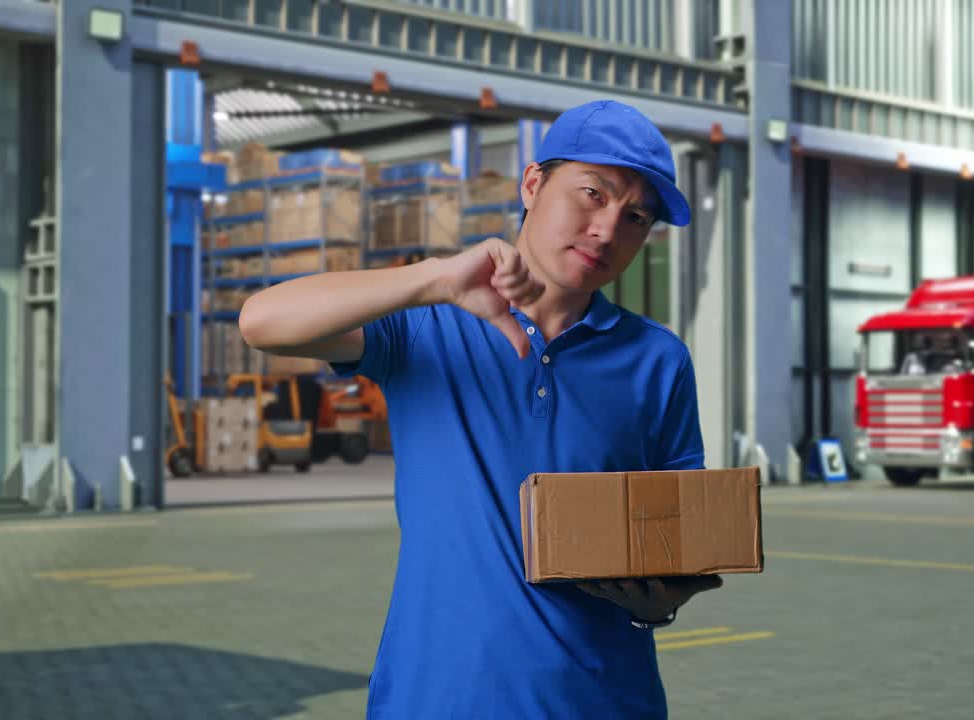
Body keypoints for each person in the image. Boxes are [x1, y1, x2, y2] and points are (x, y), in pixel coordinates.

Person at [239, 100, 723, 719]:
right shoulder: (426, 327)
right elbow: (261, 322)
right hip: (438, 698)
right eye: (592, 194)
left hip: (603, 700)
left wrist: (662, 601)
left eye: (635, 217)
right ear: (532, 184)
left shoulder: (658, 361)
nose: (607, 229)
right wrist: (434, 279)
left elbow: (677, 535)